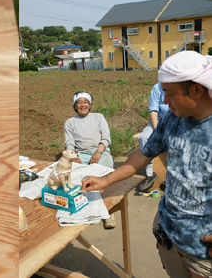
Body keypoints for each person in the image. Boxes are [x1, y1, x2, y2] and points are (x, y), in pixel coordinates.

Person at [82, 51, 212, 278]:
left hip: (202, 247)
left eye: (169, 93)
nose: (164, 101)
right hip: (168, 231)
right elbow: (143, 155)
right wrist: (106, 180)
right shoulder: (173, 119)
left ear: (196, 90)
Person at [64, 91, 116, 229]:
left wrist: (98, 152)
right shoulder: (70, 122)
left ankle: (108, 212)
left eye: (85, 102)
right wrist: (74, 157)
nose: (83, 105)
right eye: (79, 102)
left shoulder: (98, 117)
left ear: (90, 104)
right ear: (75, 106)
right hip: (80, 154)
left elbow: (106, 137)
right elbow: (69, 143)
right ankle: (90, 212)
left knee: (102, 177)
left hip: (100, 151)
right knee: (78, 178)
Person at [138, 82, 170, 191]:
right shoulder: (157, 87)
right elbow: (153, 110)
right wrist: (157, 131)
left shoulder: (183, 86)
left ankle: (173, 177)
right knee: (144, 137)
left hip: (177, 122)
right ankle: (150, 174)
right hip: (158, 122)